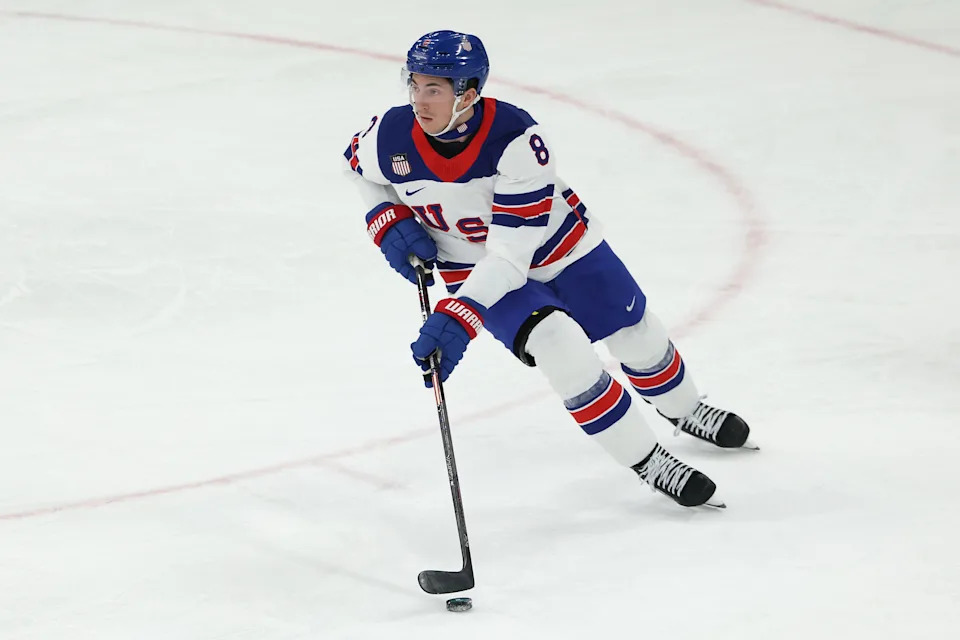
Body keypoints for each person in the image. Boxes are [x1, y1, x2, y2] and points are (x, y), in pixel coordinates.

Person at [344, 30, 755, 509]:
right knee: (561, 347)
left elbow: (510, 256)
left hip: (562, 248)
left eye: (433, 89)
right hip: (473, 267)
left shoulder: (516, 140)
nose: (418, 100)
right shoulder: (390, 135)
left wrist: (460, 316)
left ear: (468, 95)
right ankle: (648, 460)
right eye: (413, 84)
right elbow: (355, 167)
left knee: (636, 335)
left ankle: (685, 409)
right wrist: (384, 216)